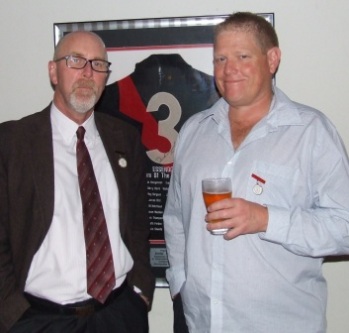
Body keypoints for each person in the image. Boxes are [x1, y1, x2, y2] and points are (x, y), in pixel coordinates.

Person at [163, 12, 349, 333]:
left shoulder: (311, 132)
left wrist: (265, 219)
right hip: (200, 323)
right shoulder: (194, 130)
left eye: (242, 56)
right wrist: (180, 279)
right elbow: (175, 217)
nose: (228, 69)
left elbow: (344, 227)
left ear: (272, 59)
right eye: (220, 58)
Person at [0, 31, 155, 333]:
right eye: (75, 61)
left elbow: (138, 221)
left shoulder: (124, 138)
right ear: (53, 71)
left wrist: (140, 290)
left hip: (119, 314)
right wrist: (12, 312)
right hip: (39, 320)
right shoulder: (13, 143)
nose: (87, 72)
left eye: (98, 64)